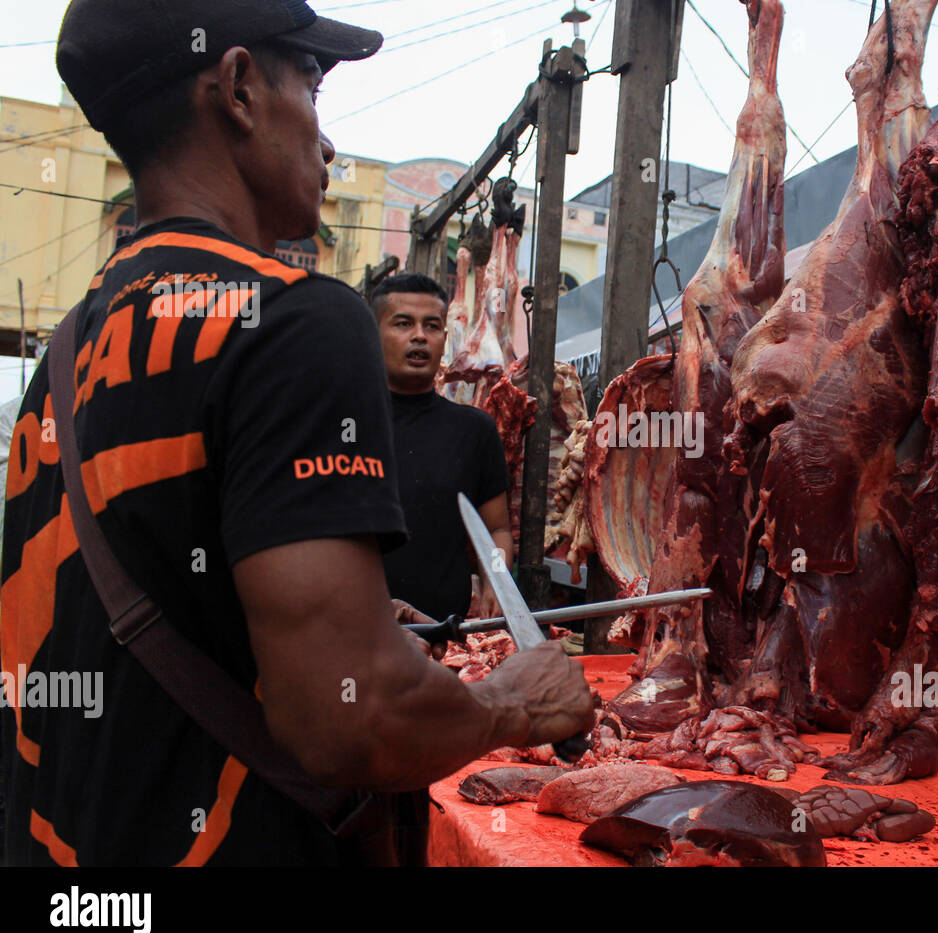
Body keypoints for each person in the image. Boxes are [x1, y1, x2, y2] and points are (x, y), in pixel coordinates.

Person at [0, 0, 593, 866]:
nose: (328, 142)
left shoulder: (66, 350)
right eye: (312, 89)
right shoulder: (292, 318)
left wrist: (340, 619)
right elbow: (351, 717)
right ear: (239, 88)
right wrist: (515, 702)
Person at [369, 273, 512, 624]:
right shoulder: (341, 425)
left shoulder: (475, 430)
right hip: (357, 630)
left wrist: (497, 583)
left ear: (444, 339)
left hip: (445, 637)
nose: (419, 336)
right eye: (403, 324)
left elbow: (496, 530)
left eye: (431, 326)